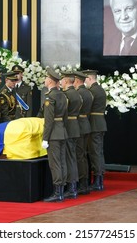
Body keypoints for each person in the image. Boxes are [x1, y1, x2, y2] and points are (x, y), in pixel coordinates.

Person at [42, 67, 68, 202]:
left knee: (55, 163)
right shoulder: (63, 95)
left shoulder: (50, 97)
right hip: (62, 131)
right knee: (62, 162)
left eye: (46, 78)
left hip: (53, 134)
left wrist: (45, 138)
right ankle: (62, 190)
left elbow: (49, 120)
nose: (45, 80)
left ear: (51, 81)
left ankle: (57, 192)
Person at [82, 69, 107, 191]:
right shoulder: (100, 89)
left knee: (94, 152)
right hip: (100, 123)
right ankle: (99, 179)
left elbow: (87, 107)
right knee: (98, 151)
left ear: (90, 78)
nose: (84, 81)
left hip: (94, 124)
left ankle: (97, 181)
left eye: (85, 79)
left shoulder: (92, 91)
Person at [60, 71, 81, 199]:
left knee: (69, 159)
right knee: (72, 157)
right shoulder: (78, 94)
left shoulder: (66, 95)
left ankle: (71, 187)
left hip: (68, 127)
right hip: (75, 127)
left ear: (66, 81)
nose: (61, 82)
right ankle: (73, 186)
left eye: (62, 80)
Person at [73, 70, 93, 194]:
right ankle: (85, 182)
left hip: (79, 125)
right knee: (83, 155)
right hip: (86, 124)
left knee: (79, 156)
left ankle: (82, 183)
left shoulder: (79, 94)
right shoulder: (88, 93)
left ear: (77, 80)